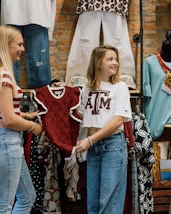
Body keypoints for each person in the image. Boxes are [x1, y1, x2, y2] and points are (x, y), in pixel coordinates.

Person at [0, 24, 42, 214]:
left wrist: (26, 115)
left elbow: (3, 112)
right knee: (3, 206)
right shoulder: (4, 75)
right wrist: (33, 126)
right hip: (6, 141)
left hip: (5, 141)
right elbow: (8, 119)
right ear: (7, 46)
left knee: (27, 197)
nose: (23, 49)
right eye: (19, 45)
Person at [75, 45, 132, 214]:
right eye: (110, 59)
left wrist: (90, 140)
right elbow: (79, 115)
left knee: (110, 204)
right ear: (98, 62)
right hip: (93, 149)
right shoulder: (87, 88)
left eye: (116, 59)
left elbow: (117, 121)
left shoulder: (120, 87)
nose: (115, 63)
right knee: (92, 202)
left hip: (112, 147)